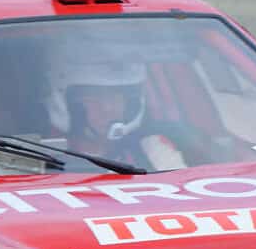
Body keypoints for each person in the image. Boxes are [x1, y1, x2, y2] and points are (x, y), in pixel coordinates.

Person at [48, 56, 190, 171]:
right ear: (67, 104)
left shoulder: (151, 150)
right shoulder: (43, 153)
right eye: (92, 97)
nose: (108, 108)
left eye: (116, 97)